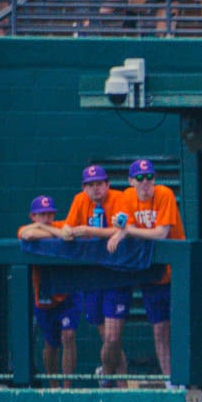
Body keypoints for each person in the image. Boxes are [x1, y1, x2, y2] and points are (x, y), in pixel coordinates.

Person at [107, 159, 186, 389]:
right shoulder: (126, 198)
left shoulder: (164, 194)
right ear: (131, 181)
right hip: (151, 275)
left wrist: (125, 232)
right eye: (139, 178)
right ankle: (172, 383)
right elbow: (123, 225)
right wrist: (123, 231)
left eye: (149, 177)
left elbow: (161, 233)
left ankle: (184, 379)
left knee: (180, 327)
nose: (145, 182)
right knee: (160, 330)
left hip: (176, 273)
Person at [62, 165, 132, 387]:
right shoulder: (79, 201)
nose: (95, 189)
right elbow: (68, 227)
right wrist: (67, 231)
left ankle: (106, 375)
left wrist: (88, 231)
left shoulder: (119, 198)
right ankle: (120, 392)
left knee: (112, 338)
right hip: (91, 278)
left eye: (99, 184)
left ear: (107, 184)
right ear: (84, 188)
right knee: (110, 341)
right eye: (90, 185)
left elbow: (123, 228)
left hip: (116, 274)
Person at [17, 195, 80, 387]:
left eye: (49, 214)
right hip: (44, 297)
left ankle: (67, 389)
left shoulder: (60, 225)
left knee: (68, 336)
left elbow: (65, 234)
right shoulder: (27, 228)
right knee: (51, 344)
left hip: (67, 294)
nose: (46, 218)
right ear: (32, 215)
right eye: (41, 215)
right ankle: (53, 387)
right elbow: (27, 235)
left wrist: (43, 228)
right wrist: (45, 229)